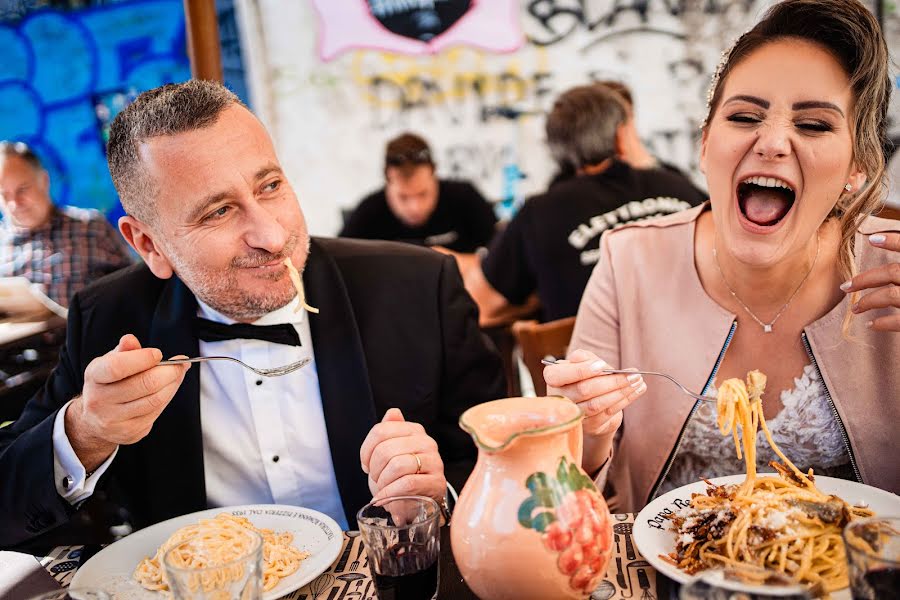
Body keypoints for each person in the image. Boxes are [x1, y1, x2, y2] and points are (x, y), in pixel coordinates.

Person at [0, 81, 506, 548]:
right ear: (149, 244)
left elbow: (506, 469)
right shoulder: (107, 318)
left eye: (269, 187)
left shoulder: (417, 287)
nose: (271, 235)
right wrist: (86, 432)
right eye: (218, 211)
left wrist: (437, 497)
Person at [543, 0, 899, 513]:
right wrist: (589, 429)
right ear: (706, 144)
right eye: (745, 116)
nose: (773, 142)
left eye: (816, 125)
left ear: (857, 169)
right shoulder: (629, 260)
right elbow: (564, 487)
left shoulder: (888, 267)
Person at [468, 84, 706, 322]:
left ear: (556, 150)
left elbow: (483, 306)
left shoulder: (540, 212)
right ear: (621, 136)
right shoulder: (677, 185)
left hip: (594, 356)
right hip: (705, 348)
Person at [0, 142, 132, 308]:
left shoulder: (90, 227)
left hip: (81, 332)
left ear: (44, 180)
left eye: (22, 189)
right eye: (4, 195)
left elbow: (133, 290)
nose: (14, 203)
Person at [340, 133, 497, 254]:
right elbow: (335, 265)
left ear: (434, 174)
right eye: (403, 197)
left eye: (423, 194)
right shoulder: (369, 212)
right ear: (388, 181)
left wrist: (464, 263)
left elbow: (503, 253)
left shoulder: (465, 198)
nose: (415, 208)